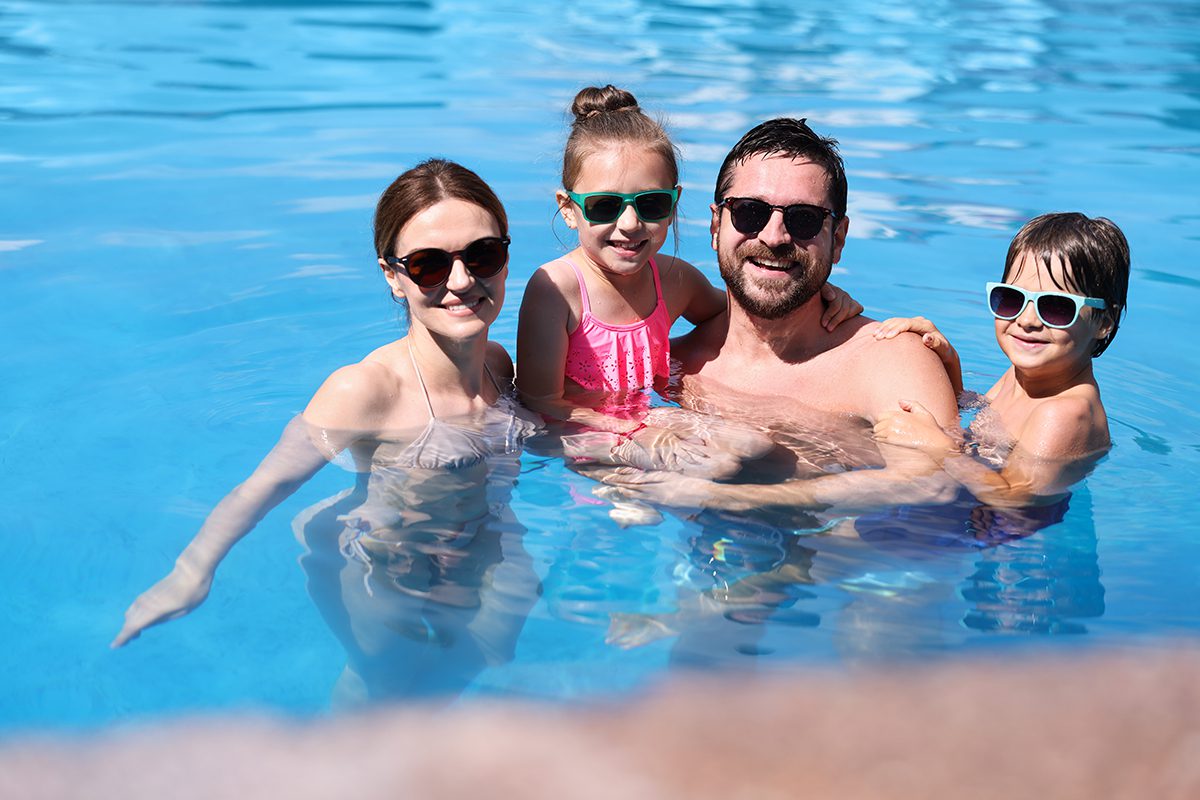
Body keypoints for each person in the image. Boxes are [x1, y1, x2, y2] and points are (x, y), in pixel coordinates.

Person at [112, 159, 542, 658]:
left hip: (475, 541)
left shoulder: (497, 364)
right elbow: (264, 485)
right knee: (388, 688)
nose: (462, 280)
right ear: (393, 277)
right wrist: (190, 573)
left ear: (507, 256)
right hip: (381, 557)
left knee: (493, 655)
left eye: (483, 254)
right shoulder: (364, 389)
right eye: (429, 264)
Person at [602, 117, 959, 514]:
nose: (774, 237)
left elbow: (937, 493)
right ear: (716, 224)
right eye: (750, 213)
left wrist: (726, 499)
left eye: (803, 218)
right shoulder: (663, 365)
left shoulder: (889, 361)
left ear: (837, 239)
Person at [516, 87, 861, 477]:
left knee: (754, 446)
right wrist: (634, 430)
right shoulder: (557, 289)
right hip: (580, 435)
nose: (629, 224)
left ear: (673, 203)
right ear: (568, 209)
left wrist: (822, 295)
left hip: (646, 422)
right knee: (716, 469)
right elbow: (540, 404)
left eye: (650, 204)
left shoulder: (673, 279)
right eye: (605, 206)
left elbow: (740, 315)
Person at [871, 212, 1129, 507]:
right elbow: (980, 414)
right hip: (974, 504)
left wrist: (939, 448)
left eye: (1056, 307)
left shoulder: (1065, 413)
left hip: (1014, 541)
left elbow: (1016, 501)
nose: (1028, 320)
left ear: (1104, 322)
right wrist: (947, 359)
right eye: (1012, 299)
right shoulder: (1024, 376)